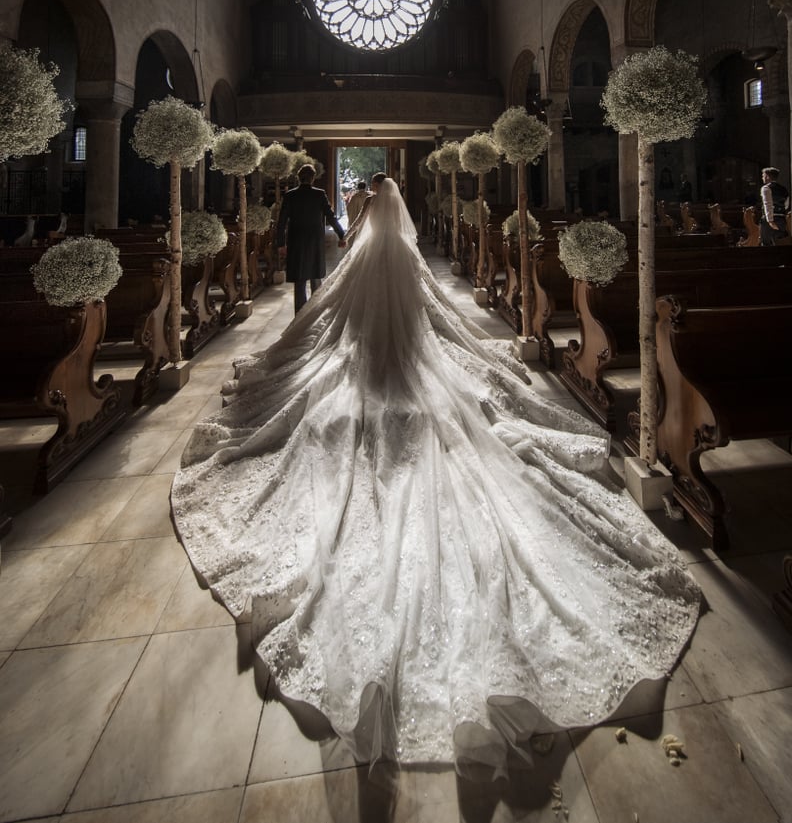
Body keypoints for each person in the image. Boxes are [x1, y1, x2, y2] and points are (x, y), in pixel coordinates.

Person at [171, 179, 699, 773]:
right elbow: (430, 315)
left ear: (375, 209)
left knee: (347, 351)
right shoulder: (404, 252)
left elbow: (333, 311)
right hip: (411, 364)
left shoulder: (367, 251)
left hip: (367, 363)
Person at [275, 163, 346, 313]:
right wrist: (341, 235)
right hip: (314, 239)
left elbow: (281, 221)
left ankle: (299, 315)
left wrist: (281, 243)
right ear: (313, 178)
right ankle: (315, 312)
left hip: (296, 239)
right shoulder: (319, 194)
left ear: (299, 178)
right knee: (315, 275)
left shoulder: (290, 195)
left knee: (299, 279)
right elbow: (330, 216)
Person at [345, 169, 385, 244]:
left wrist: (346, 237)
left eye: (372, 182)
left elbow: (352, 211)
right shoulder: (394, 199)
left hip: (375, 236)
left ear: (376, 184)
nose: (371, 184)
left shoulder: (369, 199)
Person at [759, 166, 790, 245]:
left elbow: (767, 204)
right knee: (781, 243)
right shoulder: (784, 189)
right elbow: (786, 204)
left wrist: (770, 220)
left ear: (767, 176)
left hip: (770, 220)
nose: (762, 178)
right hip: (781, 219)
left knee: (767, 244)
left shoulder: (766, 188)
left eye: (763, 176)